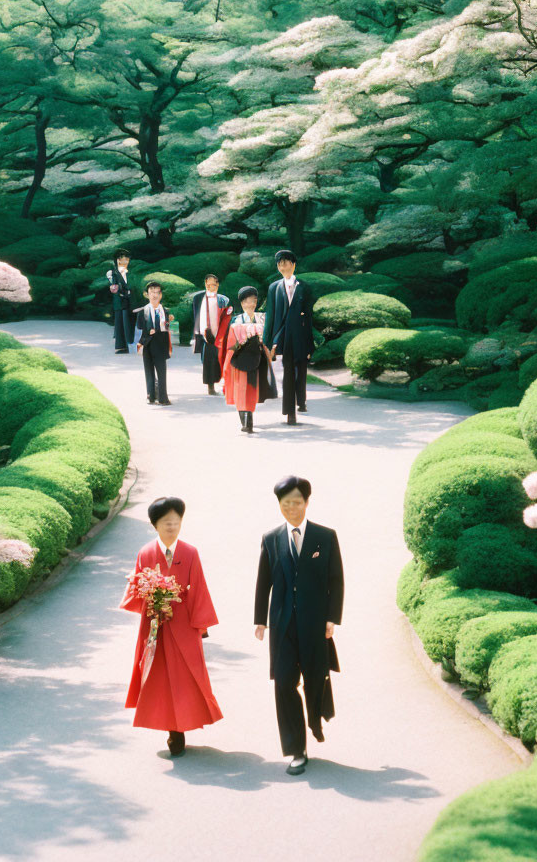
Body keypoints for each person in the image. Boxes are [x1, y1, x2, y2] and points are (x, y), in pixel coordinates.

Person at [253, 476, 343, 775]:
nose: (291, 508)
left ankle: (316, 720)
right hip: (282, 626)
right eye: (285, 503)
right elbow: (263, 581)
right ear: (279, 505)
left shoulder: (325, 536)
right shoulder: (271, 538)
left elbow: (335, 580)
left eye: (297, 502)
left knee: (315, 680)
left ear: (307, 502)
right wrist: (260, 620)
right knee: (283, 684)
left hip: (315, 624)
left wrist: (332, 618)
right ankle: (296, 749)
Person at [121, 496, 222, 757]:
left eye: (176, 523)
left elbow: (198, 587)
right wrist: (152, 600)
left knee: (187, 675)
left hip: (183, 622)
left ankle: (182, 726)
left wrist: (201, 625)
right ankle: (172, 731)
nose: (172, 528)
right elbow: (136, 587)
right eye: (166, 523)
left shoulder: (189, 552)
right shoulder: (145, 553)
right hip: (155, 622)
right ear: (155, 525)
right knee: (158, 675)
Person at [216, 286, 277, 434]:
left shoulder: (262, 318)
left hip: (257, 359)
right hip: (240, 360)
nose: (251, 304)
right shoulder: (236, 320)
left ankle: (248, 420)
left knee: (251, 390)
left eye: (254, 301)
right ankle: (245, 421)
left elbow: (269, 337)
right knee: (240, 389)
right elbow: (229, 343)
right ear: (242, 303)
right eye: (248, 301)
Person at [263, 250, 315, 423]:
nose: (282, 266)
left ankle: (301, 400)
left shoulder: (305, 287)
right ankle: (290, 412)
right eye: (279, 263)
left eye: (285, 262)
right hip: (283, 334)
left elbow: (308, 317)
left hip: (300, 333)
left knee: (301, 368)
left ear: (293, 264)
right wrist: (267, 342)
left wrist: (310, 344)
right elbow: (270, 315)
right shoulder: (274, 287)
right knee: (288, 370)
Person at [135, 281, 174, 406]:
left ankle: (163, 397)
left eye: (157, 292)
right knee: (149, 371)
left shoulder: (165, 311)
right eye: (152, 292)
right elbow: (139, 329)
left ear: (161, 295)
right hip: (147, 344)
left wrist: (167, 324)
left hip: (161, 344)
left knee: (162, 371)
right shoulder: (143, 311)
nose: (154, 295)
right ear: (147, 294)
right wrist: (146, 335)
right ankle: (150, 395)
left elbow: (167, 327)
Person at [190, 275, 229, 395]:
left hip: (220, 333)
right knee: (208, 361)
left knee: (222, 359)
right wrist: (200, 333)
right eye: (209, 284)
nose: (211, 286)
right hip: (205, 334)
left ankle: (224, 386)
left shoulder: (223, 299)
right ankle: (210, 387)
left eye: (214, 284)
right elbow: (196, 316)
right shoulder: (198, 298)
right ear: (205, 284)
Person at [107, 249, 135, 354]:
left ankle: (130, 345)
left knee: (129, 323)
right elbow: (112, 286)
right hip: (120, 300)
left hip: (130, 300)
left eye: (127, 259)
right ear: (117, 260)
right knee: (120, 322)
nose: (125, 262)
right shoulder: (113, 273)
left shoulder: (130, 272)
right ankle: (122, 346)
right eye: (122, 259)